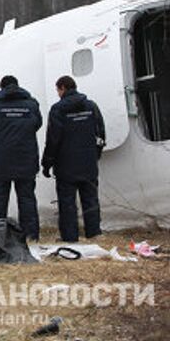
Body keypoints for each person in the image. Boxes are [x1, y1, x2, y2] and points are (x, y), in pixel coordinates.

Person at [42, 75, 106, 242]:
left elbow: (53, 139)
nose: (57, 93)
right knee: (91, 200)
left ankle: (70, 237)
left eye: (58, 90)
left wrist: (47, 163)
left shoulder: (57, 110)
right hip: (88, 162)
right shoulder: (91, 107)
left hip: (65, 165)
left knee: (67, 203)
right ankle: (94, 233)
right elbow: (100, 133)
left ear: (63, 88)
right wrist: (95, 154)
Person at [0, 75, 43, 240]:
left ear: (2, 88)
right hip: (25, 158)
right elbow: (37, 124)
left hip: (0, 160)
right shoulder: (31, 104)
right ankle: (31, 235)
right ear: (18, 86)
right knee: (27, 199)